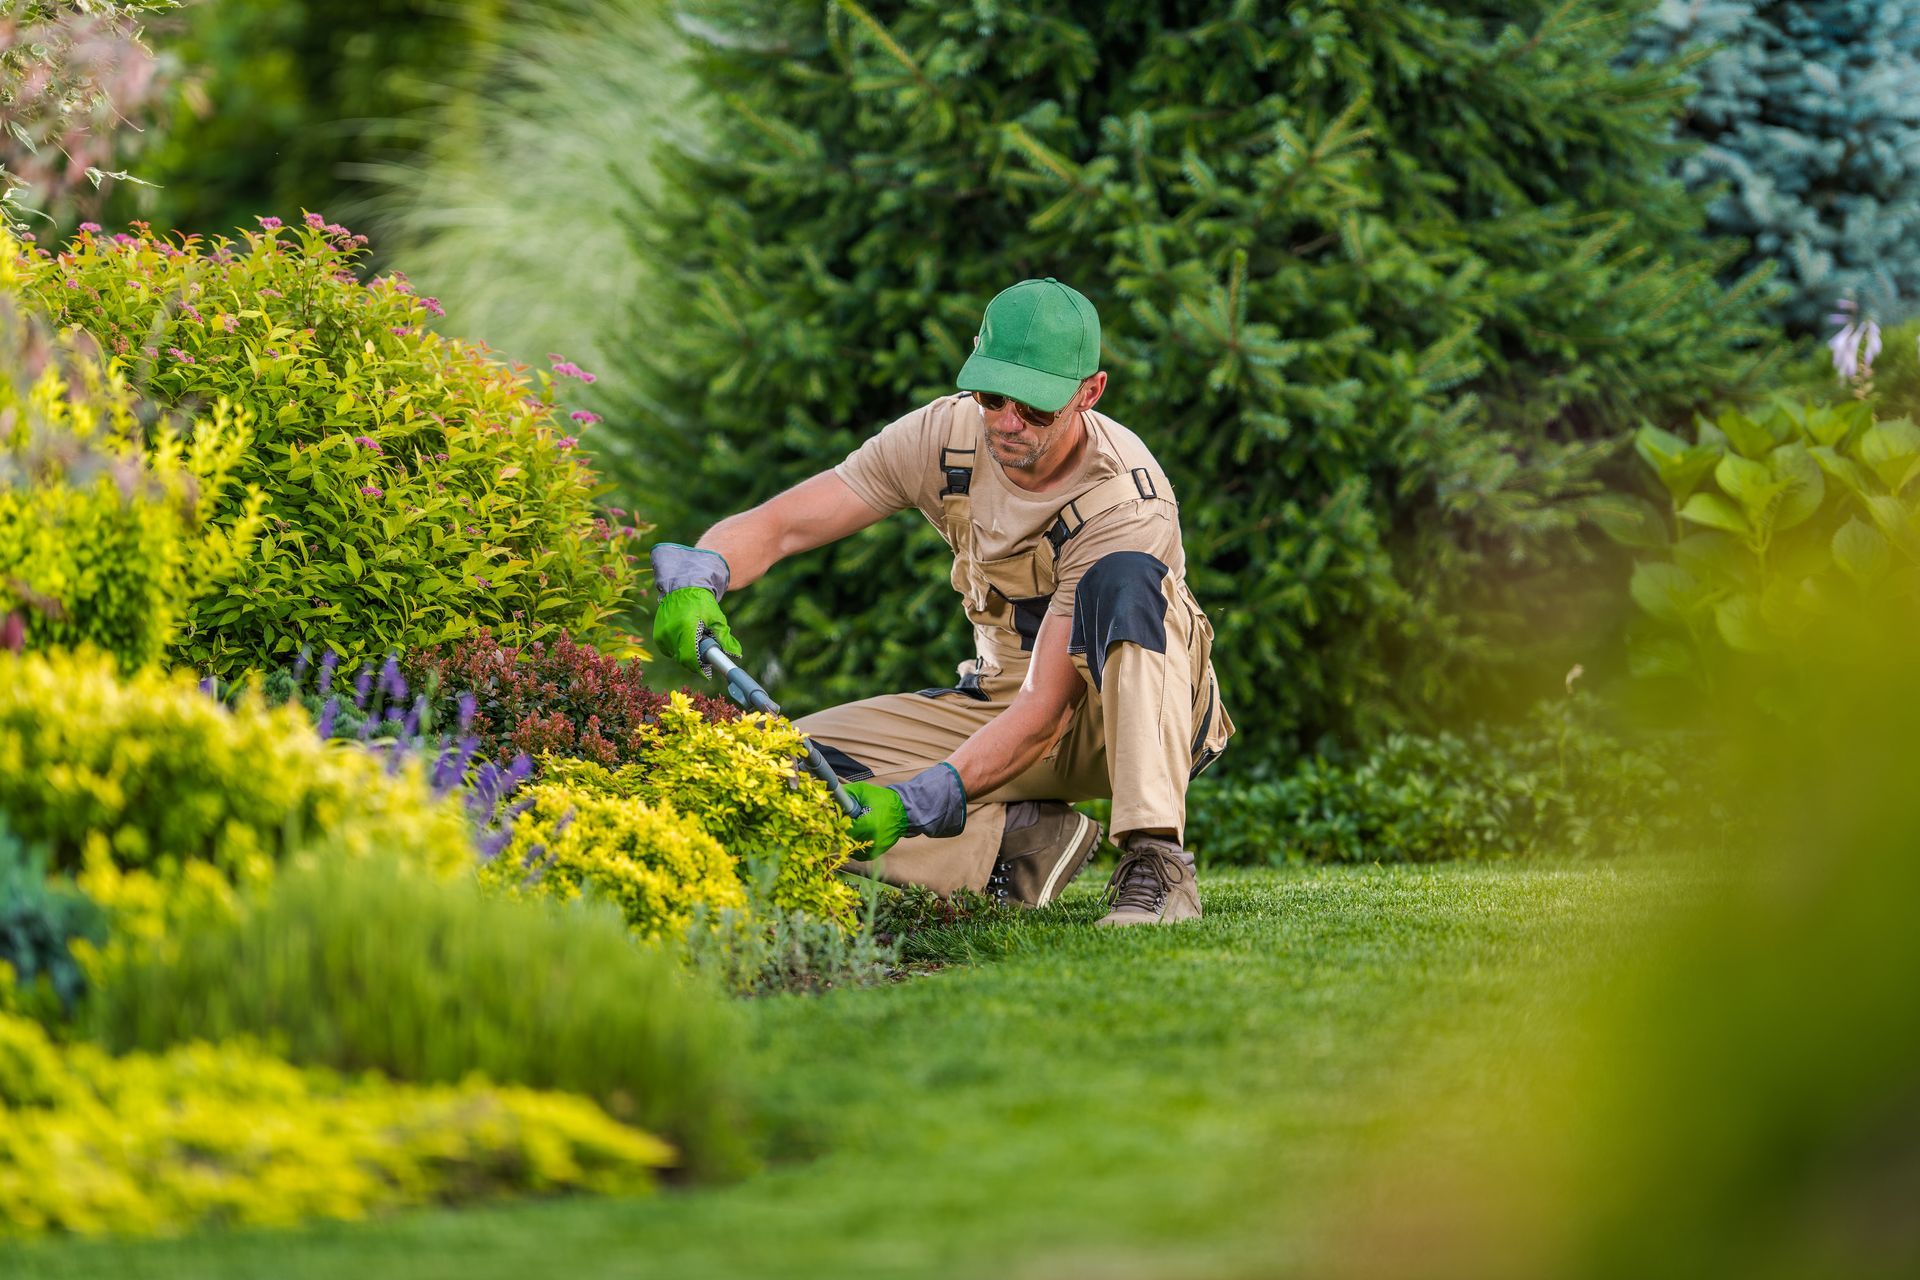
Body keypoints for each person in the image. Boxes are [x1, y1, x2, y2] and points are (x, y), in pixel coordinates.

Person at [650, 278, 1232, 926]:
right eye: (993, 396)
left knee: (1126, 581)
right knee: (778, 773)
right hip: (998, 701)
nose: (1008, 422)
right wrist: (703, 574)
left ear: (1089, 393)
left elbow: (1046, 712)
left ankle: (1156, 861)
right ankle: (1014, 844)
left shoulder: (1124, 499)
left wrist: (921, 799)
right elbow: (786, 523)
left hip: (1115, 718)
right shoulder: (945, 436)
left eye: (1036, 407)